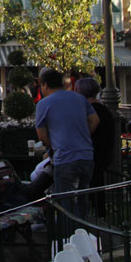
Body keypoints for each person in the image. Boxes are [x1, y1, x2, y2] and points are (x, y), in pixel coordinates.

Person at [35, 67, 99, 219]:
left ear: (45, 85)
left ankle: (70, 238)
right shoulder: (79, 98)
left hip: (65, 158)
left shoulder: (43, 104)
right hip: (86, 156)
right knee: (83, 200)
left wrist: (56, 144)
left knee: (66, 204)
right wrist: (81, 136)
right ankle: (84, 236)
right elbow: (95, 120)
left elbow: (42, 135)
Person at [74, 78, 116, 216]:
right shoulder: (104, 109)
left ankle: (94, 213)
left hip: (93, 152)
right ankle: (98, 211)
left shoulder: (89, 110)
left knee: (91, 184)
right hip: (103, 152)